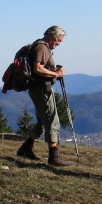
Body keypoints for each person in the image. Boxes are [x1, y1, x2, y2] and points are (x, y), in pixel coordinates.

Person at [15, 25, 71, 166]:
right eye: (58, 40)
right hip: (41, 89)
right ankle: (54, 157)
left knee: (42, 121)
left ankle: (26, 148)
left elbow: (40, 67)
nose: (58, 44)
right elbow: (38, 68)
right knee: (52, 120)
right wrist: (56, 74)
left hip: (37, 88)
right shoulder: (42, 48)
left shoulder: (39, 46)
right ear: (52, 36)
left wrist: (53, 70)